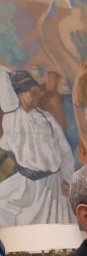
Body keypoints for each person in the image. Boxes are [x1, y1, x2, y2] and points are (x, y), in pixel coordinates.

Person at [0, 68, 75, 227]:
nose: (37, 96)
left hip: (53, 186)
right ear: (20, 94)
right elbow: (7, 98)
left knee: (57, 227)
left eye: (38, 92)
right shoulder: (12, 119)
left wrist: (67, 178)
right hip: (28, 186)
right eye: (32, 92)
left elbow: (65, 150)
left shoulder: (47, 118)